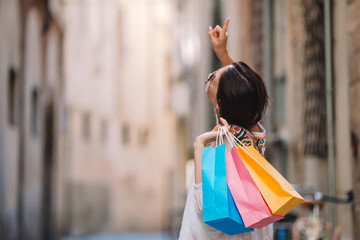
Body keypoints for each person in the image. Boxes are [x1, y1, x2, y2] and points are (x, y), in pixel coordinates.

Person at [178, 18, 273, 240]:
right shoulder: (254, 135)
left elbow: (205, 207)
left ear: (220, 103)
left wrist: (199, 145)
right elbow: (245, 91)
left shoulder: (222, 145)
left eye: (215, 77)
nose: (211, 75)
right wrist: (223, 54)